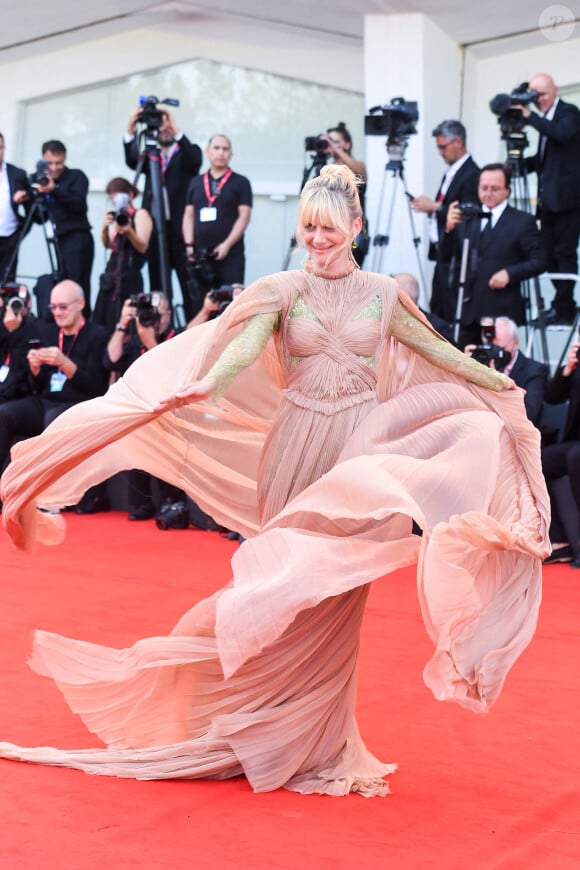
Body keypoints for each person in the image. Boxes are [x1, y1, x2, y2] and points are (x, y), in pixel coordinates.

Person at [0, 166, 548, 797]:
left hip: (356, 454)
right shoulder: (282, 289)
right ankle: (252, 722)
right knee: (287, 582)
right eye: (308, 226)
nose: (317, 238)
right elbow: (243, 345)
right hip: (294, 448)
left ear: (356, 229)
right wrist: (209, 383)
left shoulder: (383, 294)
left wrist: (492, 382)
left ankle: (315, 738)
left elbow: (436, 352)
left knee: (337, 591)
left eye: (329, 228)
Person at [0, 279, 108, 477]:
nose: (57, 313)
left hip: (77, 404)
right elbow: (39, 385)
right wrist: (35, 369)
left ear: (81, 304)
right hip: (44, 402)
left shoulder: (97, 334)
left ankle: (51, 495)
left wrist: (64, 363)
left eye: (63, 307)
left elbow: (96, 387)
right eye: (53, 307)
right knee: (4, 414)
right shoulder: (46, 331)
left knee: (53, 419)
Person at [441, 163, 546, 347]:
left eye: (495, 188)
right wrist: (449, 229)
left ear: (507, 190)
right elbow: (445, 256)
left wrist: (509, 273)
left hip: (501, 312)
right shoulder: (468, 217)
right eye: (484, 188)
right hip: (467, 312)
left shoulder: (522, 221)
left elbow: (540, 260)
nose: (488, 193)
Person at [105, 292, 184, 521]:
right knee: (132, 427)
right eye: (147, 314)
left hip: (170, 407)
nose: (152, 319)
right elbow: (110, 359)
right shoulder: (133, 338)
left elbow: (172, 375)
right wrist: (122, 325)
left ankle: (171, 502)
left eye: (157, 315)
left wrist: (151, 343)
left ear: (168, 315)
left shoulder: (177, 337)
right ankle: (141, 503)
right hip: (138, 406)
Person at [124, 107, 202, 319]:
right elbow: (132, 161)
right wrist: (131, 127)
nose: (162, 128)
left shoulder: (185, 152)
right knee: (157, 282)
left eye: (165, 123)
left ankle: (191, 325)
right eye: (159, 124)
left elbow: (196, 161)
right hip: (155, 228)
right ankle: (158, 324)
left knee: (188, 283)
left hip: (179, 230)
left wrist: (174, 128)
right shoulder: (150, 155)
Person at [517, 74, 580, 325]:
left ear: (555, 90)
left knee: (564, 253)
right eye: (535, 96)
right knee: (548, 255)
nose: (538, 100)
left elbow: (561, 134)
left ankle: (564, 308)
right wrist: (516, 166)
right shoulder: (545, 120)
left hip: (568, 202)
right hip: (548, 203)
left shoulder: (569, 113)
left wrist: (529, 117)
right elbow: (545, 160)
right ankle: (560, 304)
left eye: (542, 94)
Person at [411, 120, 480, 322]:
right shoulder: (452, 171)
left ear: (457, 142)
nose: (440, 152)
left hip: (456, 256)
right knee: (437, 309)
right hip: (443, 252)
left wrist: (434, 207)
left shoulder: (472, 173)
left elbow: (465, 213)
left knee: (449, 312)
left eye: (443, 147)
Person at [14, 140, 94, 313]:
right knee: (62, 284)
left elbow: (79, 206)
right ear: (43, 160)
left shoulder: (76, 176)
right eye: (50, 163)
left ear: (65, 159)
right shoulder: (39, 179)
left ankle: (84, 327)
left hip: (77, 238)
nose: (55, 167)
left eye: (59, 163)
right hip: (58, 240)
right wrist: (26, 200)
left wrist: (54, 190)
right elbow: (38, 217)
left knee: (77, 286)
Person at [182, 135, 252, 316]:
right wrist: (189, 244)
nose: (220, 152)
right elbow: (188, 215)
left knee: (230, 306)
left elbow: (244, 216)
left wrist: (227, 244)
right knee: (201, 306)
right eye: (216, 148)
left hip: (230, 256)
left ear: (231, 154)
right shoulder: (195, 182)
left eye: (225, 149)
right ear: (208, 152)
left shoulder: (241, 182)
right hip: (201, 257)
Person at [92, 177, 153, 335]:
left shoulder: (140, 214)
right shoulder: (118, 216)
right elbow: (108, 244)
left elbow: (143, 246)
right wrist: (105, 227)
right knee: (103, 319)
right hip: (112, 275)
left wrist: (129, 231)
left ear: (130, 195)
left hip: (130, 273)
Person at [464, 316, 548, 427]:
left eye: (500, 349)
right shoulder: (481, 367)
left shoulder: (534, 371)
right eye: (491, 348)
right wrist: (464, 368)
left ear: (516, 343)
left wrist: (495, 381)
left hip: (516, 436)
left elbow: (530, 413)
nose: (496, 354)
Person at [541, 339, 580, 567]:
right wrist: (567, 369)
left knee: (575, 458)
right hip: (574, 440)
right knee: (538, 460)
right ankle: (559, 540)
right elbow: (553, 397)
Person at [319, 122, 368, 266]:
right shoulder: (324, 169)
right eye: (328, 140)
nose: (330, 144)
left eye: (335, 141)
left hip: (352, 230)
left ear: (347, 144)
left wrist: (335, 149)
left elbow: (359, 171)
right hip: (329, 227)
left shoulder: (356, 166)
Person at [0, 133, 29, 283]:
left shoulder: (16, 174)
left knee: (7, 283)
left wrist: (21, 233)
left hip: (9, 237)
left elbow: (31, 208)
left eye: (0, 148)